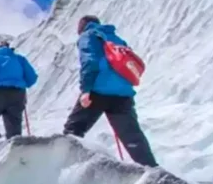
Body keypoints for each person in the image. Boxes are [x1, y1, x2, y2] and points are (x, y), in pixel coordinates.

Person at [63, 15, 157, 167]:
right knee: (132, 137)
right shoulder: (116, 38)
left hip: (98, 91)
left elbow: (90, 61)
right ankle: (153, 170)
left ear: (82, 27)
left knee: (73, 129)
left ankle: (65, 165)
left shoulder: (87, 36)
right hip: (123, 94)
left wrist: (86, 90)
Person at [0, 35, 38, 144]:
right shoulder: (19, 59)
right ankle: (15, 153)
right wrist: (23, 83)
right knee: (14, 131)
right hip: (17, 94)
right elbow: (32, 77)